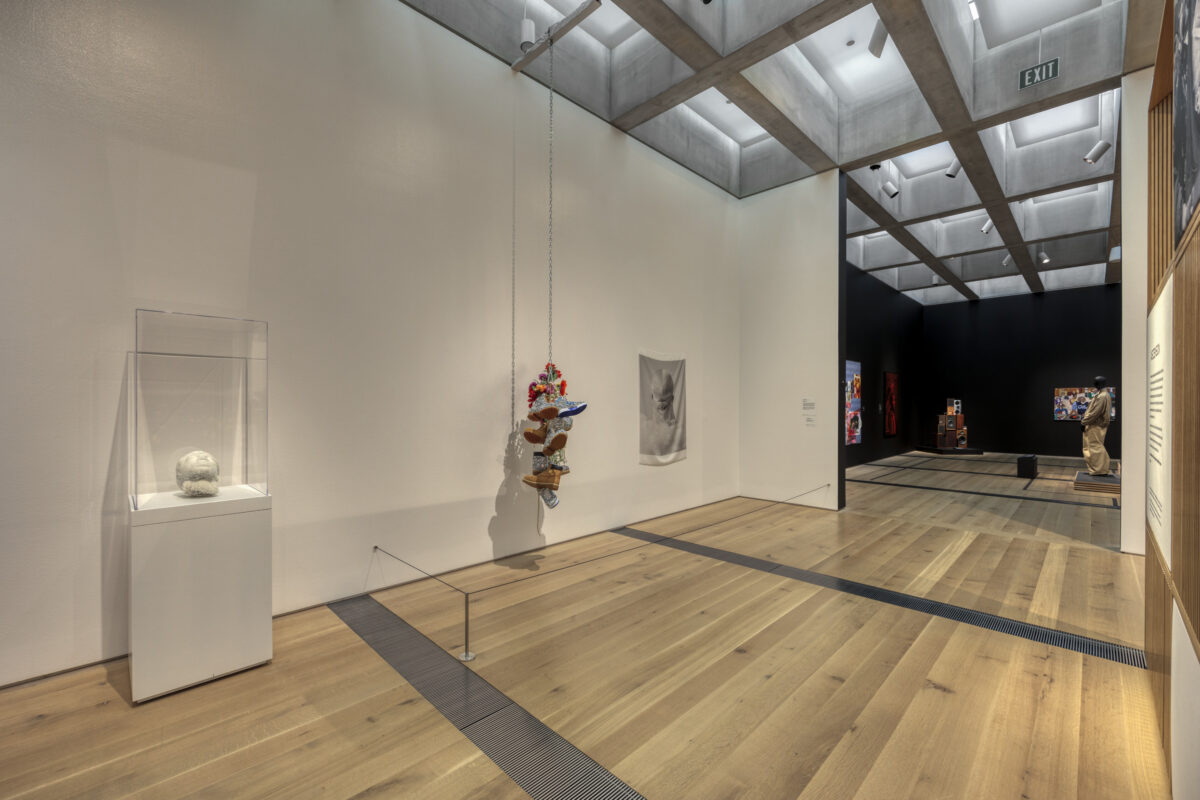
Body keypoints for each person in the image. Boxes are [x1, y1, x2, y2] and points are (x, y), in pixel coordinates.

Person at [1081, 376, 1113, 476]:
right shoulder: (1101, 395)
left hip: (1095, 425)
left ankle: (1100, 470)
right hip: (1093, 424)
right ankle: (1097, 469)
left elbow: (1095, 413)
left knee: (1095, 447)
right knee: (1091, 447)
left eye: (1096, 383)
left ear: (1099, 384)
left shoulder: (1102, 396)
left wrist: (1084, 422)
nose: (1094, 385)